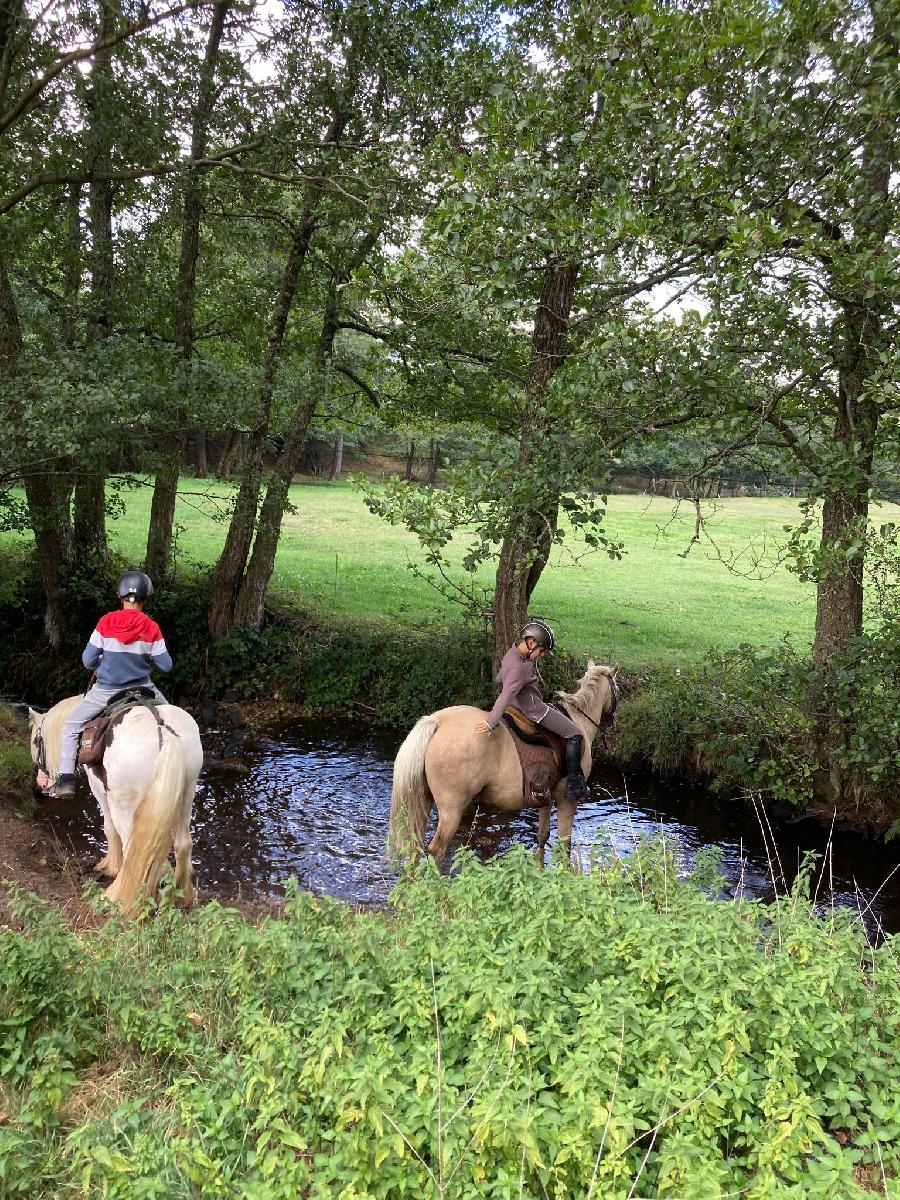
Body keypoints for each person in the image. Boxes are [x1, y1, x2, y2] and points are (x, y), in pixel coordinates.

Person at [46, 570, 171, 798]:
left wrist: (103, 659)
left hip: (106, 691)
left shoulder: (105, 622)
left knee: (72, 724)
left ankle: (65, 780)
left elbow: (87, 661)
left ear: (119, 596)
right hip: (144, 688)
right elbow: (166, 665)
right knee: (173, 718)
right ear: (147, 598)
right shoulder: (152, 627)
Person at [475, 618, 589, 802]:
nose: (541, 655)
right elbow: (506, 693)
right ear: (531, 642)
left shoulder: (511, 655)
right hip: (534, 710)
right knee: (574, 733)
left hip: (516, 704)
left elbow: (501, 679)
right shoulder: (519, 667)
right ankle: (574, 784)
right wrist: (491, 721)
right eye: (541, 650)